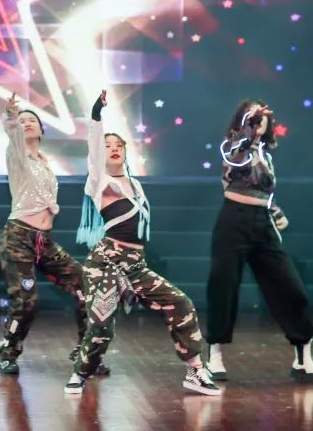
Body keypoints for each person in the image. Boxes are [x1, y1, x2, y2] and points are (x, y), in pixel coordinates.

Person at [64, 91, 220, 396]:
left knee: (180, 303)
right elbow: (94, 151)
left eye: (118, 145)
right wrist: (96, 116)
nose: (113, 149)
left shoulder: (135, 184)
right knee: (101, 328)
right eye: (107, 145)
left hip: (136, 265)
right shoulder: (98, 181)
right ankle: (80, 373)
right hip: (106, 263)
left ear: (126, 151)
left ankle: (195, 369)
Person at [205, 99, 313, 384]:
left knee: (290, 287)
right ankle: (215, 356)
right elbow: (235, 165)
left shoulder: (266, 154)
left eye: (262, 115)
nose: (259, 119)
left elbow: (265, 191)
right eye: (253, 115)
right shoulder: (233, 146)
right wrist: (248, 133)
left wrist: (275, 211)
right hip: (234, 220)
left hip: (262, 223)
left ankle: (303, 360)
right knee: (224, 286)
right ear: (243, 120)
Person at [0, 92, 88, 375]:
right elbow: (12, 131)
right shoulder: (18, 156)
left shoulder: (44, 162)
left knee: (85, 284)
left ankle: (86, 351)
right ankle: (8, 352)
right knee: (26, 300)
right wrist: (11, 114)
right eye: (22, 121)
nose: (27, 123)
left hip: (43, 241)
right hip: (18, 238)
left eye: (32, 120)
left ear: (42, 130)